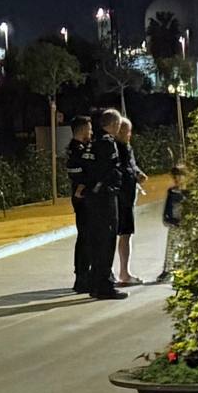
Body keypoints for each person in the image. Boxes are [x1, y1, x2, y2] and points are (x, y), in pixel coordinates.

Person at [83, 109, 128, 300]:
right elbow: (110, 170)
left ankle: (95, 283)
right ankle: (104, 285)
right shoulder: (108, 144)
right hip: (105, 198)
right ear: (114, 124)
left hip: (93, 199)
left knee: (96, 241)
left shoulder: (92, 143)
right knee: (107, 240)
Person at [114, 118, 148, 285]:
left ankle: (124, 272)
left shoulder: (127, 148)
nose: (129, 135)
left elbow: (131, 166)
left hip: (127, 198)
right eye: (127, 131)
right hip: (118, 198)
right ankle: (118, 274)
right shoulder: (113, 148)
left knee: (126, 235)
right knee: (115, 236)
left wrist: (138, 174)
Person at [65, 115, 94, 293]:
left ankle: (83, 275)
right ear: (82, 129)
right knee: (85, 238)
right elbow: (79, 174)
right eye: (89, 129)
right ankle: (82, 277)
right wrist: (83, 186)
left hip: (82, 197)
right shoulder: (76, 151)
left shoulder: (78, 148)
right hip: (83, 199)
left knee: (85, 238)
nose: (91, 132)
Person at [156, 165, 186, 282]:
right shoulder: (172, 191)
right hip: (174, 223)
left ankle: (185, 269)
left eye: (179, 176)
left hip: (186, 225)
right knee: (171, 247)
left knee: (185, 247)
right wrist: (167, 219)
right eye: (175, 177)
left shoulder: (188, 192)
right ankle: (168, 270)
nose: (177, 179)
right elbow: (167, 209)